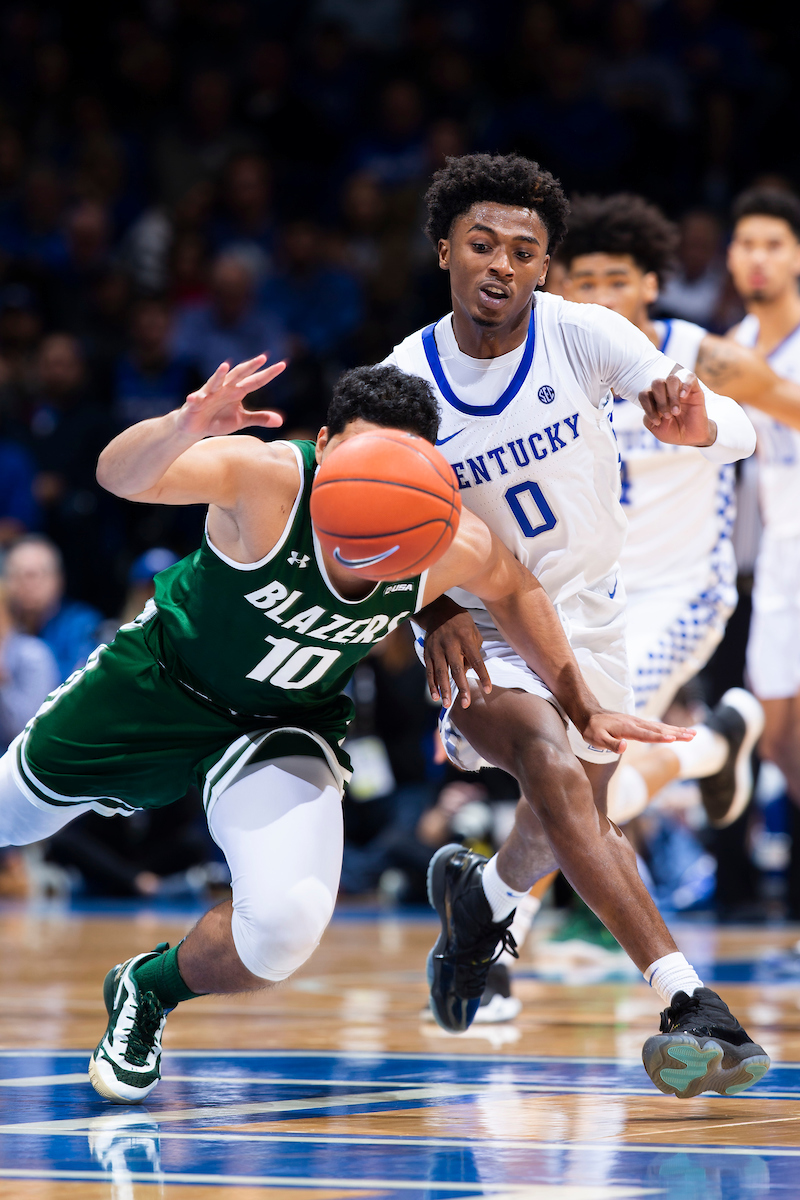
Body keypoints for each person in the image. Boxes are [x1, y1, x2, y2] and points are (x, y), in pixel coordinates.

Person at [0, 356, 683, 1106]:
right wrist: (184, 425)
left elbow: (517, 589)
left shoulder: (437, 535)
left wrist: (580, 702)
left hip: (281, 725)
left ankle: (147, 989)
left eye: (396, 464)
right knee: (10, 813)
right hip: (161, 688)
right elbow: (118, 477)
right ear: (324, 445)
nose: (373, 478)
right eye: (358, 456)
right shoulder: (265, 479)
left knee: (284, 932)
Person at [386, 152, 766, 1097]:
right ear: (446, 250)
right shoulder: (403, 380)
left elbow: (743, 428)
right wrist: (428, 606)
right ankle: (689, 1001)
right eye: (481, 244)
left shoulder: (585, 334)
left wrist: (701, 429)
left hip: (594, 621)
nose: (501, 264)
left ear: (545, 266)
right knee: (554, 769)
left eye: (524, 249)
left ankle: (482, 904)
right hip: (479, 628)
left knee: (572, 823)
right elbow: (358, 532)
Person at [557, 191, 800, 830]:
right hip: (594, 595)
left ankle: (504, 908)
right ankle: (713, 746)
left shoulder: (706, 358)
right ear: (562, 287)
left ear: (651, 284)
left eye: (619, 280)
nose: (605, 295)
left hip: (686, 590)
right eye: (588, 282)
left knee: (588, 761)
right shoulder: (551, 374)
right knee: (570, 770)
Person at [727, 187, 800, 920]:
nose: (758, 257)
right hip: (776, 549)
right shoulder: (735, 341)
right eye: (746, 242)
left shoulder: (741, 360)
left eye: (773, 243)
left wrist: (760, 386)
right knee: (776, 735)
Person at [3, 536, 102, 682]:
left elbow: (79, 682)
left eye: (32, 575)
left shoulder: (82, 624)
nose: (24, 584)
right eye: (15, 575)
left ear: (57, 579)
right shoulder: (6, 623)